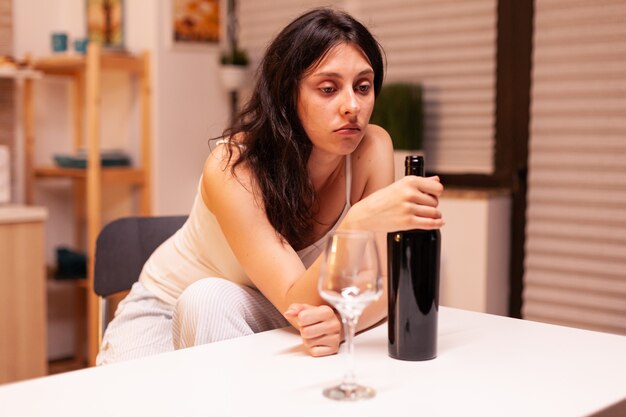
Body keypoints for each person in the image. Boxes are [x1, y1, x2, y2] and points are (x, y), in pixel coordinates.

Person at [96, 7, 444, 365]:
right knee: (207, 300)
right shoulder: (232, 166)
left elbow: (378, 288)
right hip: (168, 308)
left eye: (363, 87)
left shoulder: (372, 149)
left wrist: (339, 324)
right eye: (328, 88)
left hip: (270, 305)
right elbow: (299, 299)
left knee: (215, 302)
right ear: (287, 96)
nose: (352, 106)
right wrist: (358, 223)